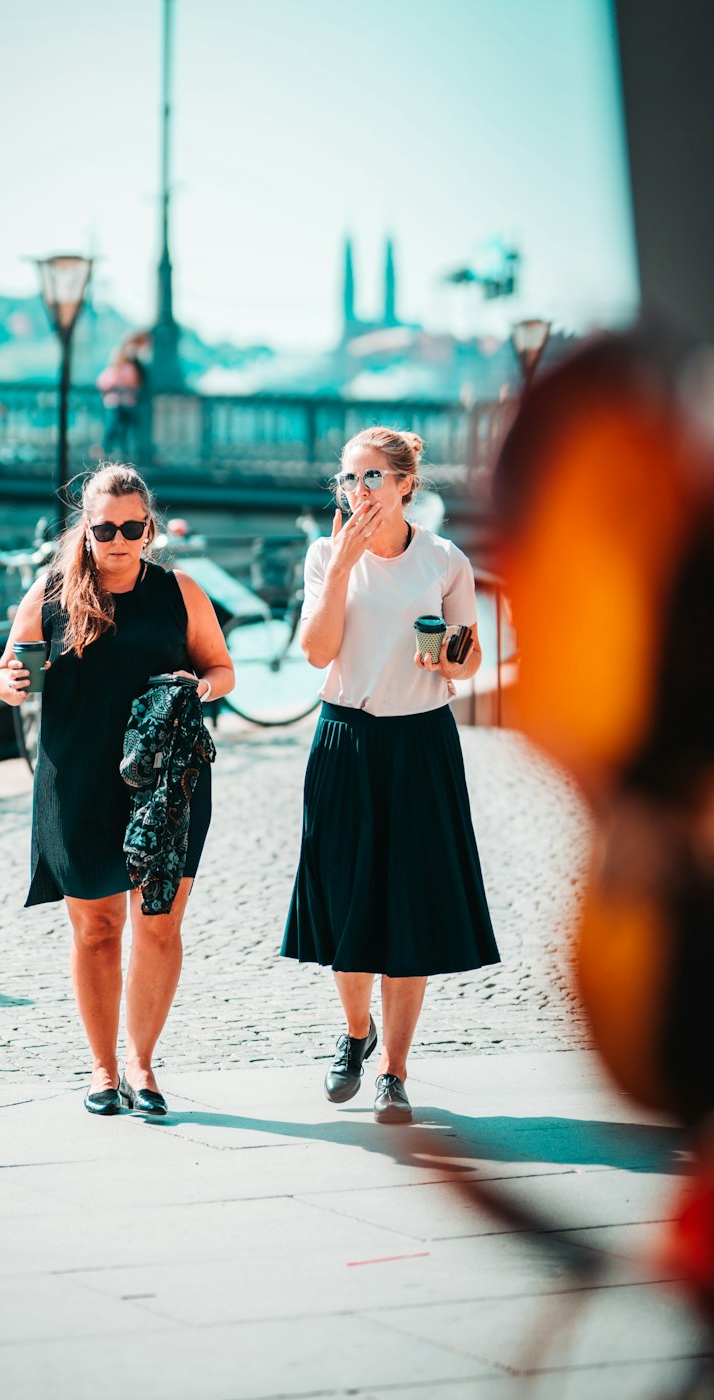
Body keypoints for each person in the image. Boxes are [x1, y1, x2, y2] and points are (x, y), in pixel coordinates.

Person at [0, 464, 234, 1116]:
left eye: (133, 527)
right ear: (87, 528)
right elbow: (10, 669)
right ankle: (102, 1069)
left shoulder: (179, 591)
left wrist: (196, 688)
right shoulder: (50, 592)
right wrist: (10, 682)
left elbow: (222, 668)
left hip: (166, 781)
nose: (120, 539)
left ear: (149, 527)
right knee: (98, 927)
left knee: (157, 924)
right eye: (106, 528)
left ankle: (142, 1064)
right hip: (77, 778)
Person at [281, 426, 500, 1124]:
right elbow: (316, 653)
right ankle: (354, 1033)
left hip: (421, 743)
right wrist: (342, 568)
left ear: (407, 484)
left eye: (372, 477)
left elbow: (469, 658)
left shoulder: (443, 559)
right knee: (347, 901)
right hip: (344, 738)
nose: (358, 491)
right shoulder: (324, 555)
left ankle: (395, 1072)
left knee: (409, 908)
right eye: (349, 479)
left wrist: (443, 653)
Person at [96, 336, 147, 460]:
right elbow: (103, 383)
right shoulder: (115, 369)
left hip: (126, 403)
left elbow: (137, 383)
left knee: (122, 430)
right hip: (117, 403)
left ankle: (118, 454)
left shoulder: (132, 368)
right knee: (113, 428)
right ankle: (108, 452)